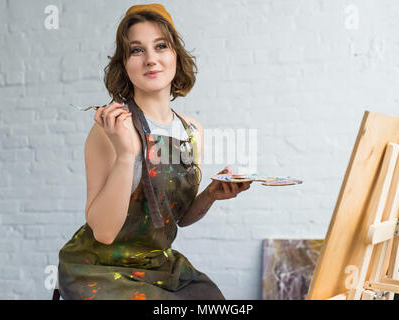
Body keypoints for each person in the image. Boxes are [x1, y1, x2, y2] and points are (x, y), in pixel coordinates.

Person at [55, 3, 252, 300]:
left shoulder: (191, 131)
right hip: (101, 271)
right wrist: (126, 155)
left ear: (176, 55)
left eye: (161, 46)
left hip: (158, 267)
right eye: (136, 50)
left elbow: (177, 219)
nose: (150, 59)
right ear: (124, 63)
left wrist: (211, 194)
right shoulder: (111, 128)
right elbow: (104, 233)